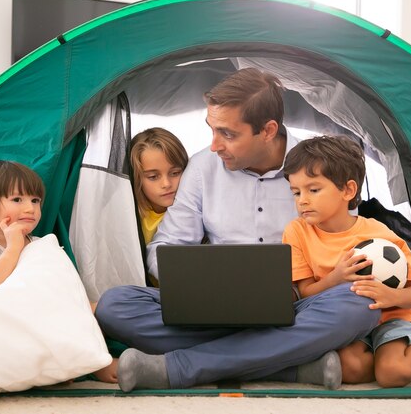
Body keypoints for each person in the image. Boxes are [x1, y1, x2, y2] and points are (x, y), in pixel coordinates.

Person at [95, 67, 380, 391]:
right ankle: (288, 366)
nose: (214, 145)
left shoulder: (318, 171)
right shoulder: (203, 168)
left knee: (360, 304)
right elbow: (166, 247)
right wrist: (201, 285)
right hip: (212, 307)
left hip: (296, 305)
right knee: (114, 305)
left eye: (228, 134)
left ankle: (180, 367)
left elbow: (345, 243)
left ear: (268, 130)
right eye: (211, 130)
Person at [282, 135, 411, 387]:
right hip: (351, 324)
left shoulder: (380, 236)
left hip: (392, 318)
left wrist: (389, 297)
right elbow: (305, 292)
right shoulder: (296, 232)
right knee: (350, 370)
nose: (302, 200)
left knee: (391, 374)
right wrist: (335, 277)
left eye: (313, 189)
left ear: (348, 190)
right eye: (296, 192)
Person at [0, 160, 119, 383]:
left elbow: (59, 284)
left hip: (43, 311)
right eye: (17, 199)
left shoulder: (40, 245)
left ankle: (94, 361)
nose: (30, 208)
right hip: (6, 320)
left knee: (90, 307)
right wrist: (13, 248)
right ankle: (61, 367)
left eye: (35, 201)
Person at [129, 127, 189, 286]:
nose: (166, 184)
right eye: (153, 177)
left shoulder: (192, 212)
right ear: (137, 179)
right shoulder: (129, 212)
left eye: (175, 173)